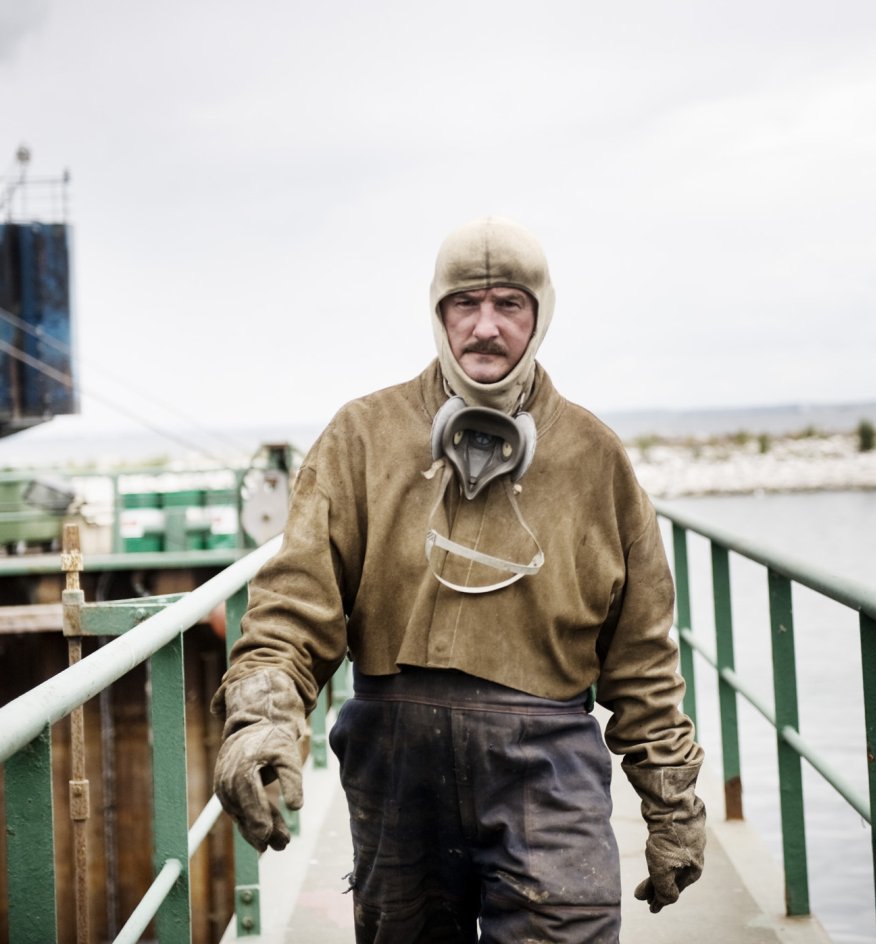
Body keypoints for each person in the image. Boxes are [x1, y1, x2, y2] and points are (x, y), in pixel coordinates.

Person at [213, 216, 706, 943]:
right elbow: (292, 610)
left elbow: (642, 656)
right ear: (437, 314)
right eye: (464, 305)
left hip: (547, 766)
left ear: (540, 316)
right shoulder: (361, 437)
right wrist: (260, 723)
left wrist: (673, 807)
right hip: (395, 763)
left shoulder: (595, 458)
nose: (484, 327)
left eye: (509, 304)